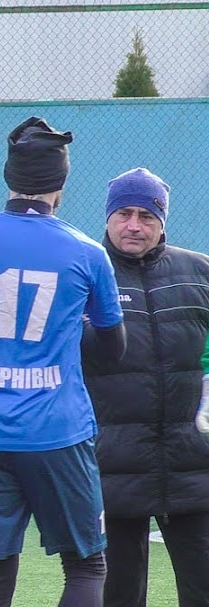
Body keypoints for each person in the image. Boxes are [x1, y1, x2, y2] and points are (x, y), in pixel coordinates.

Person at [0, 117, 126, 607]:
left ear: (8, 179)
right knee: (86, 565)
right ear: (60, 183)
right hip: (59, 430)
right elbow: (113, 349)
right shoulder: (86, 251)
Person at [82, 167, 209, 607]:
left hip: (194, 467)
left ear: (162, 221)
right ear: (108, 217)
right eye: (124, 214)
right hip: (112, 468)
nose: (133, 225)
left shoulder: (199, 273)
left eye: (146, 215)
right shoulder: (84, 271)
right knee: (118, 595)